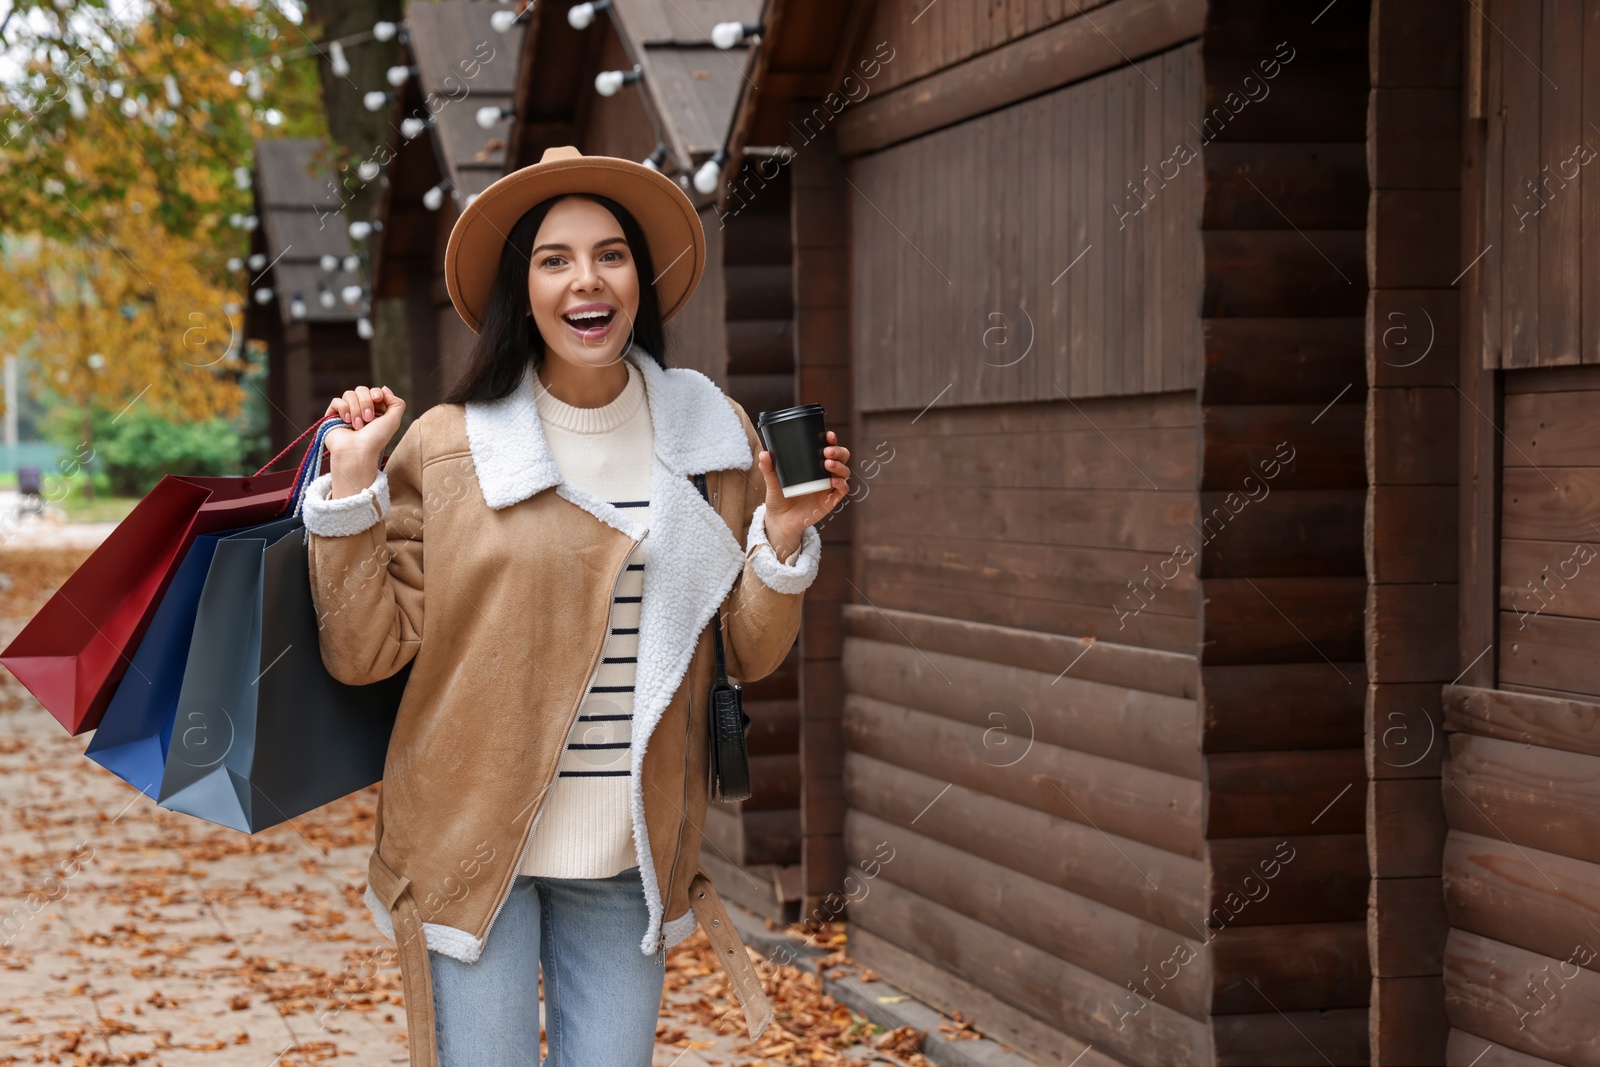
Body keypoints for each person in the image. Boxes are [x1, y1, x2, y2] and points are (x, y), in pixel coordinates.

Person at [299, 146, 852, 1067]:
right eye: (553, 259)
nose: (585, 280)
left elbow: (744, 653)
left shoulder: (709, 435)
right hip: (471, 846)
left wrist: (784, 537)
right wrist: (350, 494)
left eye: (610, 253)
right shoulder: (449, 446)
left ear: (640, 276)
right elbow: (364, 651)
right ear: (523, 287)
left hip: (631, 851)